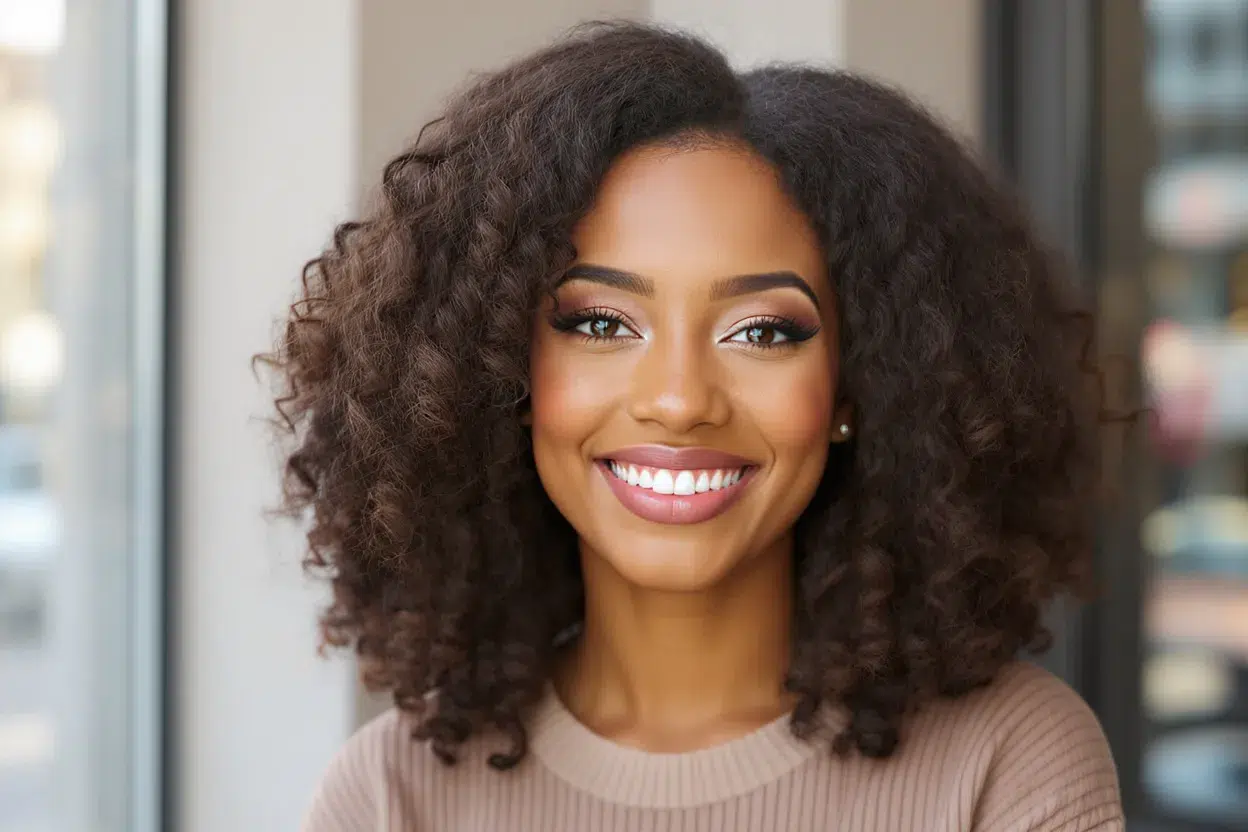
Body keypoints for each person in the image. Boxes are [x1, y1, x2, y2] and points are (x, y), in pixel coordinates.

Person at [268, 21, 1125, 831]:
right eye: (602, 325)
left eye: (763, 331)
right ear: (503, 371)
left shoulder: (1008, 759)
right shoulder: (391, 796)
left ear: (859, 387)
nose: (679, 400)